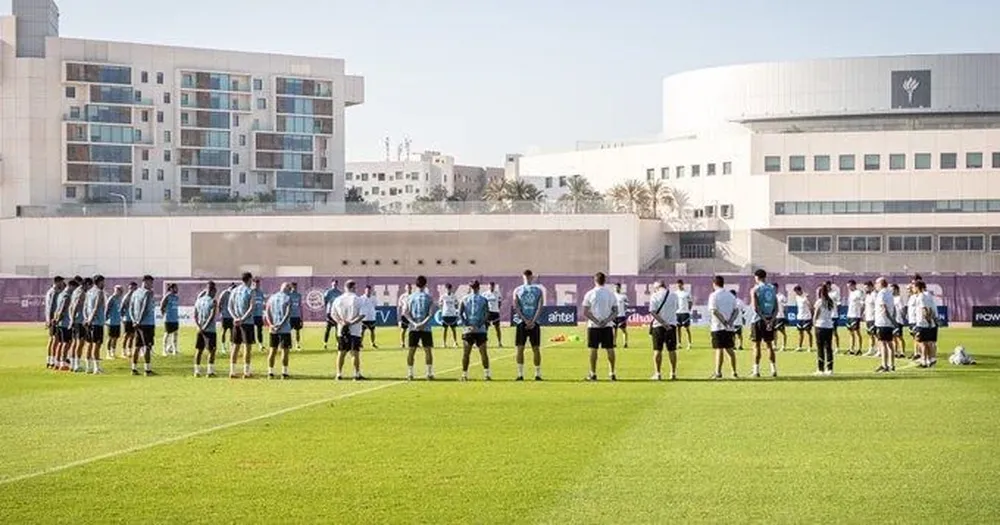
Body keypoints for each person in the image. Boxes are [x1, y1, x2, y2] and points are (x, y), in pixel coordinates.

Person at [583, 272, 618, 381]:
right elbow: (616, 311)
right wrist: (606, 320)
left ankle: (593, 373)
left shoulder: (590, 293)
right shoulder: (610, 294)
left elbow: (585, 311)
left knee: (593, 349)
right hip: (607, 325)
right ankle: (612, 373)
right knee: (610, 349)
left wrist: (597, 321)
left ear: (595, 280)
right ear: (604, 280)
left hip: (594, 326)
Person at [513, 269, 545, 381]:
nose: (527, 278)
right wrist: (525, 320)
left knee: (536, 348)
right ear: (523, 277)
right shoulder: (517, 290)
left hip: (534, 322)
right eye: (526, 276)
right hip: (522, 323)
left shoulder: (538, 290)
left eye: (528, 276)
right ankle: (520, 374)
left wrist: (533, 320)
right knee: (520, 348)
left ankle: (538, 374)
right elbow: (516, 307)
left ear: (532, 277)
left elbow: (540, 306)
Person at [404, 276, 436, 380]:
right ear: (425, 284)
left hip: (413, 328)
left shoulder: (410, 297)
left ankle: (410, 374)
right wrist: (422, 323)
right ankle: (429, 373)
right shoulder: (429, 297)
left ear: (416, 285)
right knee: (427, 350)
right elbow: (431, 314)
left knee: (411, 350)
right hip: (426, 328)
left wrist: (414, 323)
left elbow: (405, 312)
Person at [749, 269, 779, 378]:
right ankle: (773, 369)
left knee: (756, 345)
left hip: (758, 320)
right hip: (770, 318)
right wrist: (770, 320)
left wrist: (764, 320)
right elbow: (776, 308)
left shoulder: (755, 289)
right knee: (769, 345)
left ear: (757, 277)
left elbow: (755, 308)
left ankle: (756, 371)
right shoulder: (772, 289)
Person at [459, 280, 491, 381]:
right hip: (480, 330)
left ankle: (464, 375)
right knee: (483, 353)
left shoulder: (464, 299)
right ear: (479, 287)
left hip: (468, 330)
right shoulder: (483, 299)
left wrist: (467, 324)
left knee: (466, 353)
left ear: (469, 287)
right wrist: (479, 325)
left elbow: (460, 313)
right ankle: (487, 375)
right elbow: (487, 314)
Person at [708, 276, 739, 379]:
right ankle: (734, 372)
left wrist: (724, 322)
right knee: (730, 349)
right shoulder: (730, 295)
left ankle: (718, 372)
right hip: (729, 327)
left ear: (714, 284)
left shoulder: (713, 295)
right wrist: (730, 322)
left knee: (719, 349)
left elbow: (714, 311)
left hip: (718, 326)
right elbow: (736, 311)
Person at [647, 280, 678, 380]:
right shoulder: (673, 295)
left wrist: (663, 322)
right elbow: (676, 308)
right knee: (672, 350)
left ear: (657, 287)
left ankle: (658, 373)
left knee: (657, 350)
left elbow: (652, 311)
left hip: (659, 326)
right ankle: (673, 373)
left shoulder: (655, 296)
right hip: (671, 325)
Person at [227, 272, 256, 378]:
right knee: (247, 348)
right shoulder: (251, 291)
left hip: (236, 323)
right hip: (247, 322)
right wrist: (242, 319)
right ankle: (246, 372)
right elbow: (251, 307)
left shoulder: (234, 290)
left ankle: (232, 372)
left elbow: (229, 307)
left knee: (235, 346)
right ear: (249, 279)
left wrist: (235, 318)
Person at [129, 275, 157, 376]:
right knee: (147, 347)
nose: (151, 285)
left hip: (137, 324)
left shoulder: (135, 293)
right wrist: (139, 321)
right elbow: (144, 308)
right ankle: (147, 370)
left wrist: (134, 321)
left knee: (137, 346)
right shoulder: (148, 293)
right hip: (147, 324)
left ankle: (133, 369)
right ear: (145, 281)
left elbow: (131, 308)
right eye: (150, 282)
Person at [265, 282, 294, 380]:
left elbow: (267, 312)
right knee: (284, 351)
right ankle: (284, 372)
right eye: (289, 288)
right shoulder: (288, 298)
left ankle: (270, 372)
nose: (290, 290)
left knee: (272, 351)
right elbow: (287, 314)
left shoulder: (272, 297)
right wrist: (280, 325)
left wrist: (271, 324)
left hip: (273, 329)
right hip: (284, 329)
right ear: (287, 288)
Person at [193, 281, 218, 377]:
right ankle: (210, 372)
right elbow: (212, 316)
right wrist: (205, 327)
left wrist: (199, 327)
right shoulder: (213, 301)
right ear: (213, 290)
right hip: (210, 330)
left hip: (199, 330)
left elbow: (195, 315)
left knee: (199, 350)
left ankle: (197, 371)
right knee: (212, 350)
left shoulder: (198, 300)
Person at [83, 275, 107, 374]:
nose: (104, 284)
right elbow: (96, 308)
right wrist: (90, 320)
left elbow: (85, 308)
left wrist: (86, 319)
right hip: (97, 322)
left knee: (89, 344)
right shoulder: (99, 292)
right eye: (103, 282)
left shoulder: (89, 292)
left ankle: (88, 367)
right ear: (99, 282)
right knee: (96, 345)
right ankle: (96, 368)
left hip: (89, 321)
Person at [53, 279, 78, 371]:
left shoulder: (60, 294)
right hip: (65, 323)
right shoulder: (67, 296)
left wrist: (56, 319)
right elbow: (63, 309)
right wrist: (59, 319)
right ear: (71, 286)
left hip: (60, 323)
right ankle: (63, 364)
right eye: (75, 288)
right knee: (66, 343)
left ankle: (57, 362)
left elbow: (57, 309)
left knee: (60, 343)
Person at [873, 277, 897, 373]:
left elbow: (884, 308)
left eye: (876, 283)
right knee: (890, 343)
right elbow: (893, 308)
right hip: (888, 323)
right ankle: (892, 365)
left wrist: (891, 319)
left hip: (882, 322)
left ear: (881, 284)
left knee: (883, 344)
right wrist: (893, 319)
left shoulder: (881, 293)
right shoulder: (889, 293)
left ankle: (884, 365)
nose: (875, 285)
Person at [913, 280, 938, 368]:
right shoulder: (927, 296)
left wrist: (928, 320)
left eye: (914, 287)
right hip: (927, 323)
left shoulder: (921, 297)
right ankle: (931, 359)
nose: (913, 289)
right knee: (928, 342)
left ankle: (924, 361)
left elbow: (925, 310)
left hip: (922, 323)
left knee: (922, 343)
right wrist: (931, 320)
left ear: (917, 287)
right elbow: (930, 309)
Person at [812, 283, 837, 376]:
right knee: (828, 348)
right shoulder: (830, 301)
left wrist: (814, 323)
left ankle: (820, 369)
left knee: (820, 348)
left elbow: (816, 314)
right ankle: (830, 369)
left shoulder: (819, 302)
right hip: (829, 326)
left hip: (820, 326)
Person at [44, 276, 66, 369]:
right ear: (57, 282)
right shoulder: (54, 292)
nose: (62, 284)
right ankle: (52, 361)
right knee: (55, 340)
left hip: (52, 319)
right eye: (61, 282)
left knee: (52, 339)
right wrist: (51, 320)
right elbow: (51, 307)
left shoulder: (51, 291)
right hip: (54, 320)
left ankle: (49, 360)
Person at [69, 276, 90, 372]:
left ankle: (73, 364)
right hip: (80, 320)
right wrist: (72, 319)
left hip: (76, 320)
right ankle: (77, 364)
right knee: (80, 343)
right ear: (86, 284)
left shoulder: (75, 291)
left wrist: (71, 318)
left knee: (74, 343)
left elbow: (71, 307)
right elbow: (76, 306)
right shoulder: (82, 293)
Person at [160, 283, 180, 357]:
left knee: (175, 334)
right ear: (171, 288)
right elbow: (161, 305)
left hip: (175, 319)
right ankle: (164, 350)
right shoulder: (167, 296)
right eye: (175, 288)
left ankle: (174, 350)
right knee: (167, 334)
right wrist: (164, 315)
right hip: (168, 319)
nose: (177, 289)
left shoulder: (176, 297)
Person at [439, 283, 461, 349]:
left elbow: (457, 304)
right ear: (446, 289)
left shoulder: (454, 296)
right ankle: (444, 343)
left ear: (451, 289)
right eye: (447, 289)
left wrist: (455, 311)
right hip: (445, 314)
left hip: (452, 315)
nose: (448, 290)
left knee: (453, 329)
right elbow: (440, 304)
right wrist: (442, 310)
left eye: (449, 288)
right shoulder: (443, 296)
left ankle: (455, 342)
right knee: (444, 329)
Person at [845, 280, 864, 355]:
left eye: (849, 286)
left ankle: (859, 349)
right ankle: (851, 349)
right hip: (849, 315)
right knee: (850, 333)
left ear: (853, 285)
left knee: (857, 332)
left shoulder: (858, 292)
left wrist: (861, 313)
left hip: (856, 315)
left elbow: (862, 303)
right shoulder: (851, 293)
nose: (848, 288)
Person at [105, 285, 123, 360]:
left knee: (116, 337)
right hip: (111, 321)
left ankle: (113, 352)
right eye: (120, 290)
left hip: (117, 321)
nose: (121, 292)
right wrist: (106, 319)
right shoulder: (111, 299)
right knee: (110, 337)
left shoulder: (119, 299)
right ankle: (108, 353)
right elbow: (107, 309)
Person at [482, 282, 503, 347]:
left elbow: (500, 302)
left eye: (493, 286)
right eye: (490, 286)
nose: (491, 287)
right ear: (488, 286)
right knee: (485, 328)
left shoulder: (497, 293)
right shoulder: (485, 294)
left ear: (494, 287)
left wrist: (497, 309)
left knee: (497, 328)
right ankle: (484, 342)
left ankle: (499, 342)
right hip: (488, 313)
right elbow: (483, 303)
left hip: (495, 312)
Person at [120, 282, 138, 359]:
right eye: (132, 288)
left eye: (135, 288)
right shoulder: (126, 297)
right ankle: (123, 351)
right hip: (127, 319)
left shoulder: (136, 296)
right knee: (126, 335)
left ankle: (130, 350)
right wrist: (123, 317)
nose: (133, 289)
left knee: (132, 336)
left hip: (134, 319)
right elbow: (121, 308)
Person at [323, 280, 342, 350]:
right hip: (329, 313)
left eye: (336, 284)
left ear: (337, 284)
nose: (335, 285)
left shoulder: (339, 293)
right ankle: (325, 343)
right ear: (331, 284)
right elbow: (325, 300)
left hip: (337, 313)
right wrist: (327, 309)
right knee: (328, 329)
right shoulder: (328, 292)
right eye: (333, 284)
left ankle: (338, 343)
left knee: (338, 329)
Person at [218, 283, 236, 355]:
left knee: (232, 332)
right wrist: (221, 313)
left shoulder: (234, 294)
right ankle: (223, 347)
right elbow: (219, 303)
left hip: (231, 316)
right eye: (232, 288)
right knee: (224, 331)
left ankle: (232, 347)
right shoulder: (225, 293)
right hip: (225, 316)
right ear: (230, 287)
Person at [674, 279, 694, 350]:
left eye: (680, 285)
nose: (679, 286)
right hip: (678, 313)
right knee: (678, 328)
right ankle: (679, 343)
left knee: (687, 329)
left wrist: (688, 310)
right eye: (678, 285)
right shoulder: (675, 293)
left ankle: (689, 343)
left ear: (682, 285)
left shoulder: (686, 293)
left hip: (685, 313)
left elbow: (690, 302)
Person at [794, 285, 814, 352]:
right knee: (800, 333)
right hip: (800, 317)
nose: (796, 293)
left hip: (807, 317)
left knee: (808, 332)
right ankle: (800, 347)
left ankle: (810, 347)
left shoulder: (806, 296)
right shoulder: (796, 297)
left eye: (796, 292)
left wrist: (812, 316)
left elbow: (811, 307)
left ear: (800, 290)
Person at [906, 282, 923, 361]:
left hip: (916, 320)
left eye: (910, 289)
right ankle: (916, 353)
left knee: (918, 338)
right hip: (911, 320)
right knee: (914, 338)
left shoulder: (917, 297)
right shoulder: (910, 297)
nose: (908, 290)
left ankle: (921, 354)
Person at [891, 284, 908, 359]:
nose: (891, 291)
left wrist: (903, 317)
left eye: (893, 289)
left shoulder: (899, 298)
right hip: (892, 320)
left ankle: (902, 352)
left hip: (898, 320)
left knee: (899, 337)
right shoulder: (891, 298)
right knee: (893, 337)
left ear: (896, 290)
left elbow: (902, 309)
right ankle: (895, 351)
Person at [360, 285, 378, 349]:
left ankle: (373, 343)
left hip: (371, 317)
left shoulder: (374, 298)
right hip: (364, 318)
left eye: (369, 290)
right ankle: (360, 343)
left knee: (372, 331)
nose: (368, 291)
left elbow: (375, 306)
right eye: (367, 290)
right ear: (365, 291)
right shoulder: (361, 298)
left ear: (371, 290)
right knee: (362, 332)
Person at [612, 283, 630, 349]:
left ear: (620, 288)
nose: (616, 288)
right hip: (614, 316)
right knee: (614, 331)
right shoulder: (612, 296)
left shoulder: (623, 296)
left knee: (624, 330)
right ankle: (614, 344)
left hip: (621, 316)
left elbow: (627, 304)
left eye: (617, 287)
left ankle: (625, 343)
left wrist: (625, 311)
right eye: (615, 287)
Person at [826, 280, 841, 353]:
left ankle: (837, 348)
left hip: (833, 315)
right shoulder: (824, 294)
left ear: (830, 285)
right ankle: (828, 347)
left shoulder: (835, 293)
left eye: (827, 285)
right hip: (826, 316)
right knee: (827, 333)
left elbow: (838, 304)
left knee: (834, 332)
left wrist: (837, 313)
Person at [863, 281, 878, 356]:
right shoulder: (867, 295)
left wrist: (876, 316)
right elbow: (866, 306)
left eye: (867, 287)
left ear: (871, 286)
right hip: (868, 318)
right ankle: (871, 349)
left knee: (876, 335)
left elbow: (877, 306)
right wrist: (864, 314)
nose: (866, 289)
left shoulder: (874, 295)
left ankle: (879, 350)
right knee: (870, 334)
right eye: (865, 288)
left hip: (873, 318)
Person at [251, 278, 266, 353]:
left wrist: (264, 312)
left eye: (258, 284)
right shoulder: (251, 292)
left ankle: (260, 345)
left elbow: (263, 302)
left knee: (260, 330)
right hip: (251, 315)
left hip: (259, 315)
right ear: (253, 284)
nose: (257, 285)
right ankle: (250, 344)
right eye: (255, 284)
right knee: (251, 330)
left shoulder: (261, 292)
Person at [288, 282, 304, 351]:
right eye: (294, 287)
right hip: (290, 316)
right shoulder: (288, 295)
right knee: (289, 331)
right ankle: (290, 345)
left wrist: (302, 317)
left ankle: (297, 345)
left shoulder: (299, 295)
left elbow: (300, 306)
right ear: (291, 287)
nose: (295, 288)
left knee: (297, 331)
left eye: (296, 287)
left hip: (297, 316)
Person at [773, 281, 788, 352]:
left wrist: (785, 316)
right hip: (773, 317)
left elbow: (786, 307)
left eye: (774, 288)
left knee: (783, 332)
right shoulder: (771, 296)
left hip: (780, 316)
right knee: (774, 332)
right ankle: (775, 345)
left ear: (777, 288)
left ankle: (783, 346)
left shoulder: (781, 296)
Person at [397, 283, 412, 349]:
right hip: (404, 315)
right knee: (403, 330)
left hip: (412, 315)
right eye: (407, 287)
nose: (408, 288)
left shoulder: (414, 296)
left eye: (409, 287)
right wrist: (399, 319)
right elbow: (399, 307)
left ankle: (413, 343)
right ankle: (402, 343)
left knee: (412, 331)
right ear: (405, 288)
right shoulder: (402, 296)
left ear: (411, 288)